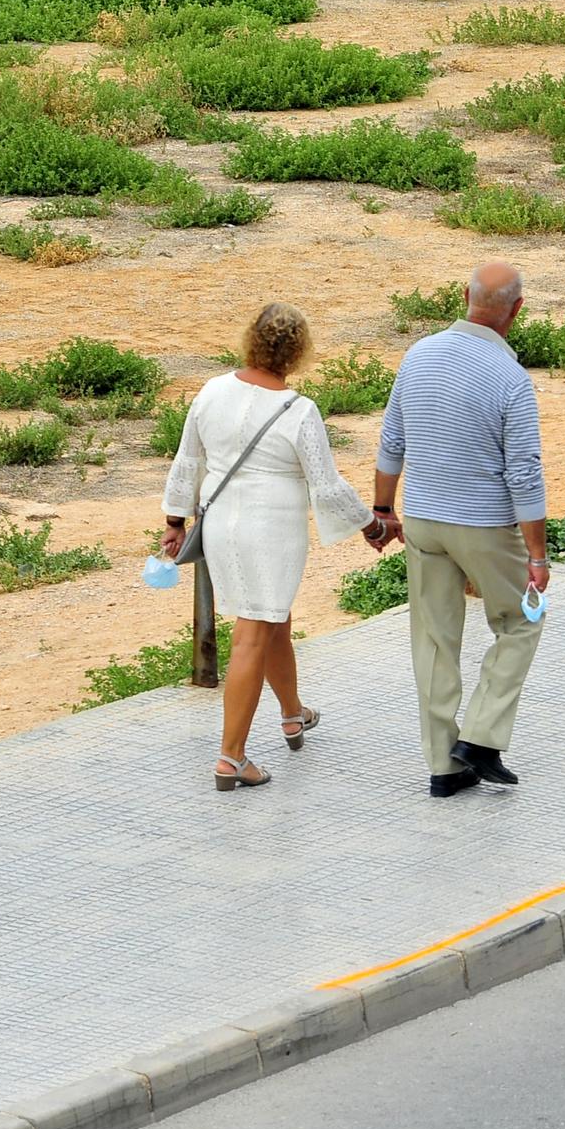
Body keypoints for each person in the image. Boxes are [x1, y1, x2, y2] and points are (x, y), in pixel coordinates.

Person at [161, 303, 391, 791]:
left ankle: (292, 713)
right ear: (299, 352)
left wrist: (174, 520)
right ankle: (231, 758)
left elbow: (188, 460)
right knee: (253, 631)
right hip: (272, 530)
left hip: (221, 523)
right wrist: (370, 524)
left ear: (250, 339)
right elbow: (325, 486)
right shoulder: (299, 410)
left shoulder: (212, 390)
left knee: (271, 619)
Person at [371, 262, 550, 799]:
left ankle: (443, 768)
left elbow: (391, 440)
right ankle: (481, 738)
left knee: (433, 639)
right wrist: (537, 556)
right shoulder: (509, 379)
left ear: (464, 298)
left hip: (423, 518)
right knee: (520, 622)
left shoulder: (418, 355)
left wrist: (384, 510)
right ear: (516, 311)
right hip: (485, 524)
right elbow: (523, 471)